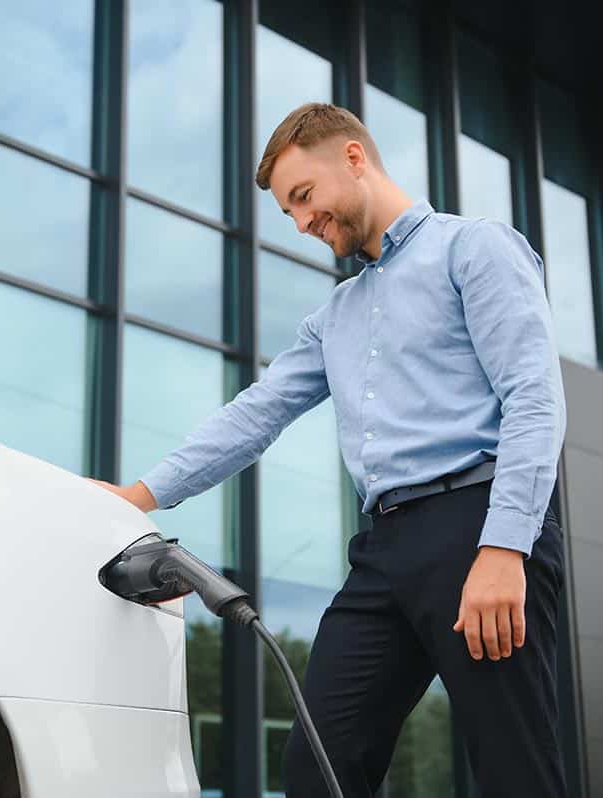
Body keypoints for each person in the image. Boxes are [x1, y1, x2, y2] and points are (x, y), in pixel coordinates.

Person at [90, 102, 567, 798]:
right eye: (290, 214)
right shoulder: (336, 316)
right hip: (384, 551)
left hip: (480, 526)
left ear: (352, 157)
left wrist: (505, 547)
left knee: (514, 769)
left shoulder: (474, 248)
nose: (304, 224)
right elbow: (257, 412)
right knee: (318, 766)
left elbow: (534, 396)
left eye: (304, 198)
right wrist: (140, 496)